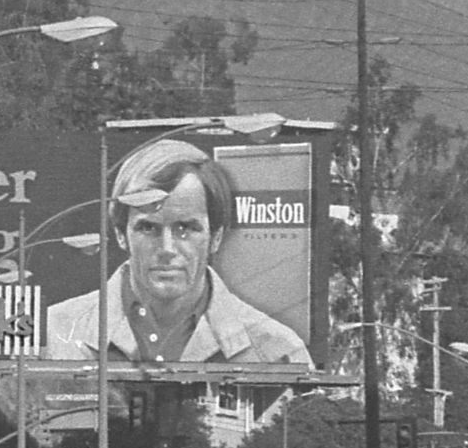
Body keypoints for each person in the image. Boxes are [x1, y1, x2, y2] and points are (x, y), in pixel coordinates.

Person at [45, 139, 310, 365]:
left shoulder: (279, 350)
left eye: (185, 228)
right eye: (148, 228)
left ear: (216, 237)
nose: (166, 249)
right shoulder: (54, 330)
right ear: (120, 235)